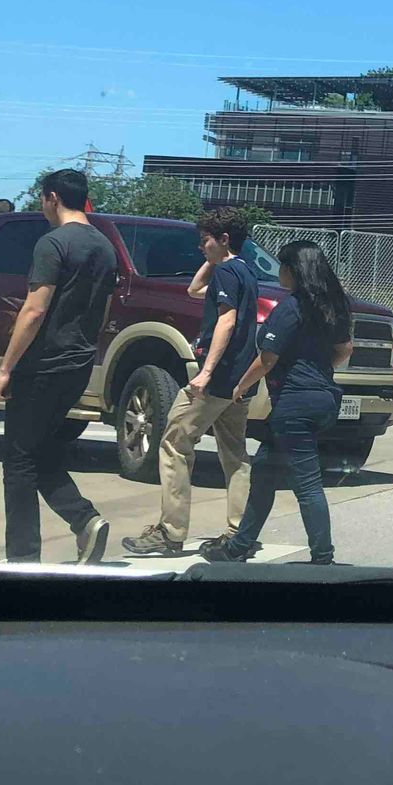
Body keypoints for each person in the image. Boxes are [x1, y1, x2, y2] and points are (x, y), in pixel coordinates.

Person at [0, 168, 117, 564]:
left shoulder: (53, 243)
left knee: (20, 461)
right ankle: (85, 520)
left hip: (44, 365)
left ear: (53, 198)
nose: (42, 206)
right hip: (78, 363)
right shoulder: (106, 247)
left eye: (43, 199)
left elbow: (35, 309)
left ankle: (22, 561)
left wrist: (6, 368)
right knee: (41, 453)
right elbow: (105, 308)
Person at [205, 239, 353, 564]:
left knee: (307, 484)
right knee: (264, 473)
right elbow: (344, 350)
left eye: (283, 267)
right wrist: (317, 366)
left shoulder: (291, 307)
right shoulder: (334, 305)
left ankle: (323, 558)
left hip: (294, 404)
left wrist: (241, 386)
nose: (280, 273)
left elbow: (268, 358)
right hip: (323, 398)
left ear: (293, 270)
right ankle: (236, 547)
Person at [122, 208, 257, 557]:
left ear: (223, 239)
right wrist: (214, 260)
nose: (201, 247)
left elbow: (226, 322)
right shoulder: (244, 272)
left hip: (217, 379)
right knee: (235, 455)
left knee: (173, 444)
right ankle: (238, 530)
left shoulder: (228, 273)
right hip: (239, 383)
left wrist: (206, 372)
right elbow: (195, 290)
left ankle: (170, 531)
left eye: (206, 241)